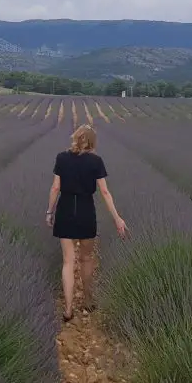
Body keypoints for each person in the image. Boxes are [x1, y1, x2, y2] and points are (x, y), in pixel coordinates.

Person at [46, 124, 128, 322]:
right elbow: (105, 192)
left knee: (68, 261)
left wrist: (50, 211)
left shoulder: (61, 158)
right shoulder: (96, 162)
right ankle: (88, 300)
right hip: (85, 212)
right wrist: (117, 218)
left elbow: (55, 187)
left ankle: (67, 309)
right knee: (87, 258)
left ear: (75, 138)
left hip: (65, 211)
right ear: (92, 142)